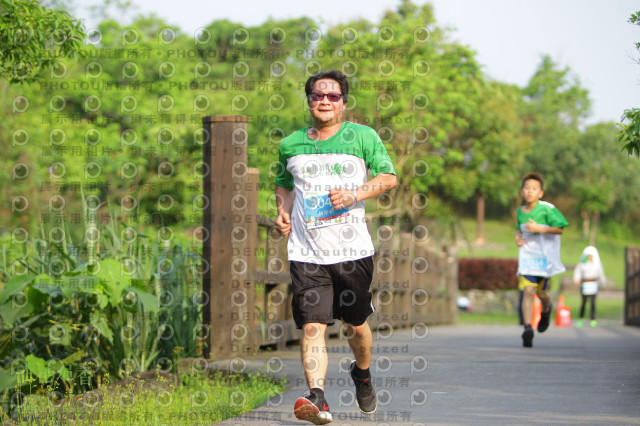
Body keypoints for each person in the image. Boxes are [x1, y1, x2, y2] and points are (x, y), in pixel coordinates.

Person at [274, 70, 397, 425]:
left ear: (343, 102)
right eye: (317, 95)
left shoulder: (362, 136)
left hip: (352, 251)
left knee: (356, 325)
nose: (324, 101)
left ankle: (362, 374)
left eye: (332, 96)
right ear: (309, 100)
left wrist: (354, 194)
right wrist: (282, 210)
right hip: (305, 251)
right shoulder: (290, 144)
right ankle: (318, 398)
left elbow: (389, 177)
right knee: (312, 326)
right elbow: (283, 185)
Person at [514, 172, 569, 347]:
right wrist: (518, 238)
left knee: (541, 294)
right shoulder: (519, 211)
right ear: (522, 192)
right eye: (527, 188)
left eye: (534, 188)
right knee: (528, 291)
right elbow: (519, 230)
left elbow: (559, 229)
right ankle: (527, 328)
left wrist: (540, 229)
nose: (530, 191)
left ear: (540, 193)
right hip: (528, 259)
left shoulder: (548, 208)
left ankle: (546, 309)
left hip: (545, 261)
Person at [573, 246, 606, 327]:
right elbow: (578, 271)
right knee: (583, 302)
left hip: (593, 284)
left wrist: (603, 282)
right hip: (585, 283)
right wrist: (576, 279)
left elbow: (601, 273)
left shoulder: (597, 264)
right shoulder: (582, 263)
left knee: (593, 303)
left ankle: (593, 319)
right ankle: (580, 318)